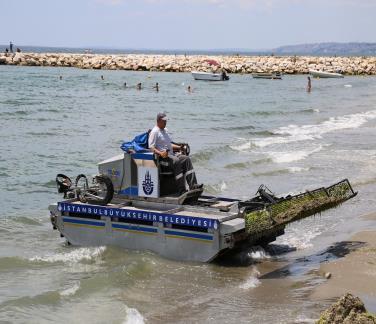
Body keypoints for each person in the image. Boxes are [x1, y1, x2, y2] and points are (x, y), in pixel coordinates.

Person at [148, 112, 202, 194]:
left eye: (166, 121)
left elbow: (169, 145)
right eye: (164, 121)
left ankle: (193, 185)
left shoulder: (165, 130)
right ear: (158, 120)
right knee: (176, 161)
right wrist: (160, 153)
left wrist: (179, 147)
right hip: (162, 159)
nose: (166, 122)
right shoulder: (154, 132)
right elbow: (151, 147)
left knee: (186, 159)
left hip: (171, 155)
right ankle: (182, 190)